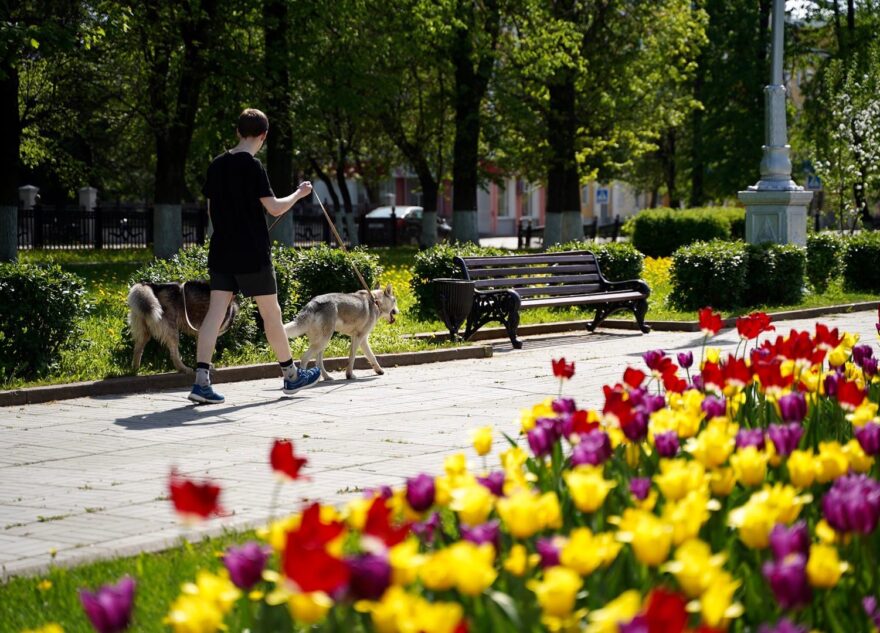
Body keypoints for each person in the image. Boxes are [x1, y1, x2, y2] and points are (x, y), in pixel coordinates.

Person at [189, 108, 320, 404]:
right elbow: (274, 208)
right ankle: (291, 376)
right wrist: (299, 194)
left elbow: (211, 211)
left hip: (222, 250)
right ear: (264, 135)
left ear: (238, 132)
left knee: (215, 314)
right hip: (252, 253)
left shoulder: (217, 165)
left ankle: (201, 382)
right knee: (271, 314)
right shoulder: (253, 166)